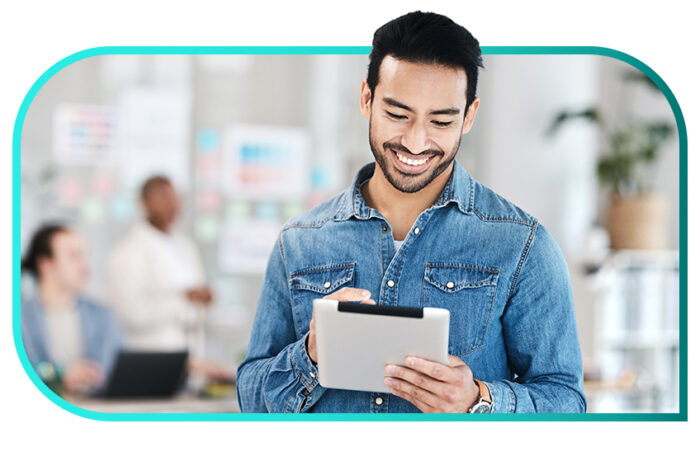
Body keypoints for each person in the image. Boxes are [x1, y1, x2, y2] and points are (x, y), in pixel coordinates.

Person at [236, 11, 587, 413]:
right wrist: (310, 356)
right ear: (367, 99)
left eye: (440, 120)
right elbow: (251, 397)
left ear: (469, 116)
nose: (416, 142)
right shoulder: (299, 242)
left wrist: (479, 400)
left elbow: (567, 403)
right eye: (398, 115)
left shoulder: (522, 246)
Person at [107, 175, 213, 351]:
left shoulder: (186, 246)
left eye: (175, 197)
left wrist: (203, 298)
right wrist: (183, 300)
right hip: (151, 355)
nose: (173, 204)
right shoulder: (128, 251)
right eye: (164, 197)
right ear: (144, 202)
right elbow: (130, 313)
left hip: (191, 354)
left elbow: (196, 302)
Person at [21, 224, 121, 396]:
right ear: (46, 264)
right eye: (74, 256)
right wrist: (60, 377)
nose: (85, 265)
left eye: (85, 255)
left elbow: (117, 371)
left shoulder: (103, 315)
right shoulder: (19, 319)